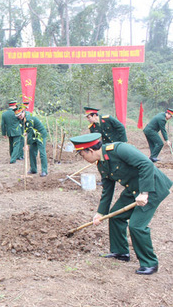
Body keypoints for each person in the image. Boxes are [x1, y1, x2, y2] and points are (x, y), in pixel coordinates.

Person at [70, 133, 172, 275]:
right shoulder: (102, 164)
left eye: (82, 155)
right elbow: (107, 190)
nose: (83, 158)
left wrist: (144, 192)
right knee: (115, 216)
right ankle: (120, 252)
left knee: (137, 226)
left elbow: (146, 164)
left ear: (91, 151)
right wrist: (100, 213)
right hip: (134, 190)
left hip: (152, 187)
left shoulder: (119, 149)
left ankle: (150, 263)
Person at [16, 106, 48, 177]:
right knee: (32, 151)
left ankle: (44, 171)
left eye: (20, 115)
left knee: (42, 152)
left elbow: (29, 132)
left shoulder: (29, 119)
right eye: (18, 116)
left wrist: (27, 144)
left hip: (40, 134)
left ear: (23, 112)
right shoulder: (22, 118)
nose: (19, 117)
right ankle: (33, 169)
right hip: (33, 134)